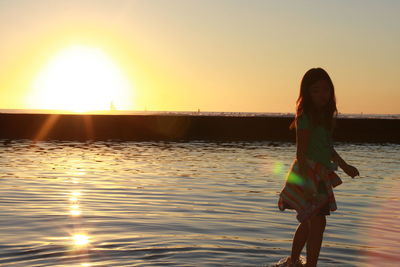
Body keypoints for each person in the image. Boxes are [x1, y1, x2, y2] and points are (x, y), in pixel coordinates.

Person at [277, 68, 359, 267]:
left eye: (325, 89)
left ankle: (294, 261)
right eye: (315, 90)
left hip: (320, 174)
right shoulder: (305, 118)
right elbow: (301, 153)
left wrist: (345, 166)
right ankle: (307, 263)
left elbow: (327, 148)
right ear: (306, 93)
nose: (322, 94)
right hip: (307, 174)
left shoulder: (326, 118)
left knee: (311, 222)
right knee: (317, 222)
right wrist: (308, 184)